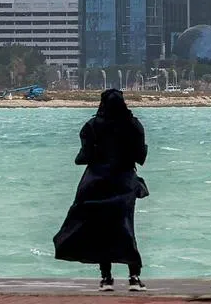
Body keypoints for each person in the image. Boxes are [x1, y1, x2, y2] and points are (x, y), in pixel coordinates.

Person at [53, 88, 149, 292]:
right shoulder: (133, 125)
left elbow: (84, 157)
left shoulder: (92, 126)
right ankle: (134, 276)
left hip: (96, 183)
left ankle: (106, 278)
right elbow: (140, 155)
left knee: (101, 230)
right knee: (126, 227)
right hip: (124, 182)